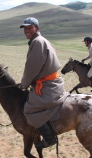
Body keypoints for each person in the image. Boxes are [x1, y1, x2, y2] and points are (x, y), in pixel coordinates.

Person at [19, 17, 68, 149]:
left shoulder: (37, 42)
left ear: (37, 28)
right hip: (53, 82)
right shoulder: (42, 40)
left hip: (48, 86)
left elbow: (31, 68)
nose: (26, 31)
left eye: (30, 28)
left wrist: (24, 84)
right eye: (25, 28)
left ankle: (49, 138)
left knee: (29, 109)